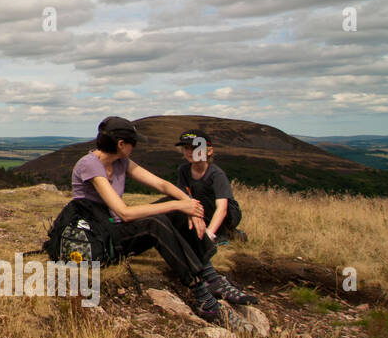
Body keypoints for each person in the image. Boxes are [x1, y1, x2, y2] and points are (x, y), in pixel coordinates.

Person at [61, 116, 256, 323]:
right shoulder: (90, 165)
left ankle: (212, 277)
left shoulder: (122, 161)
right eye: (132, 143)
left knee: (175, 206)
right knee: (156, 223)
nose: (134, 148)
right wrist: (179, 205)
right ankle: (203, 297)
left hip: (114, 229)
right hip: (98, 238)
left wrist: (190, 206)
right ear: (121, 144)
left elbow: (162, 184)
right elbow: (123, 212)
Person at [173, 130, 246, 244]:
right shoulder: (183, 170)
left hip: (228, 214)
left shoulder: (216, 174)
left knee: (202, 193)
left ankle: (223, 234)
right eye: (187, 148)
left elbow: (222, 208)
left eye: (196, 148)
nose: (191, 152)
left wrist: (209, 234)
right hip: (203, 210)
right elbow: (182, 196)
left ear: (209, 151)